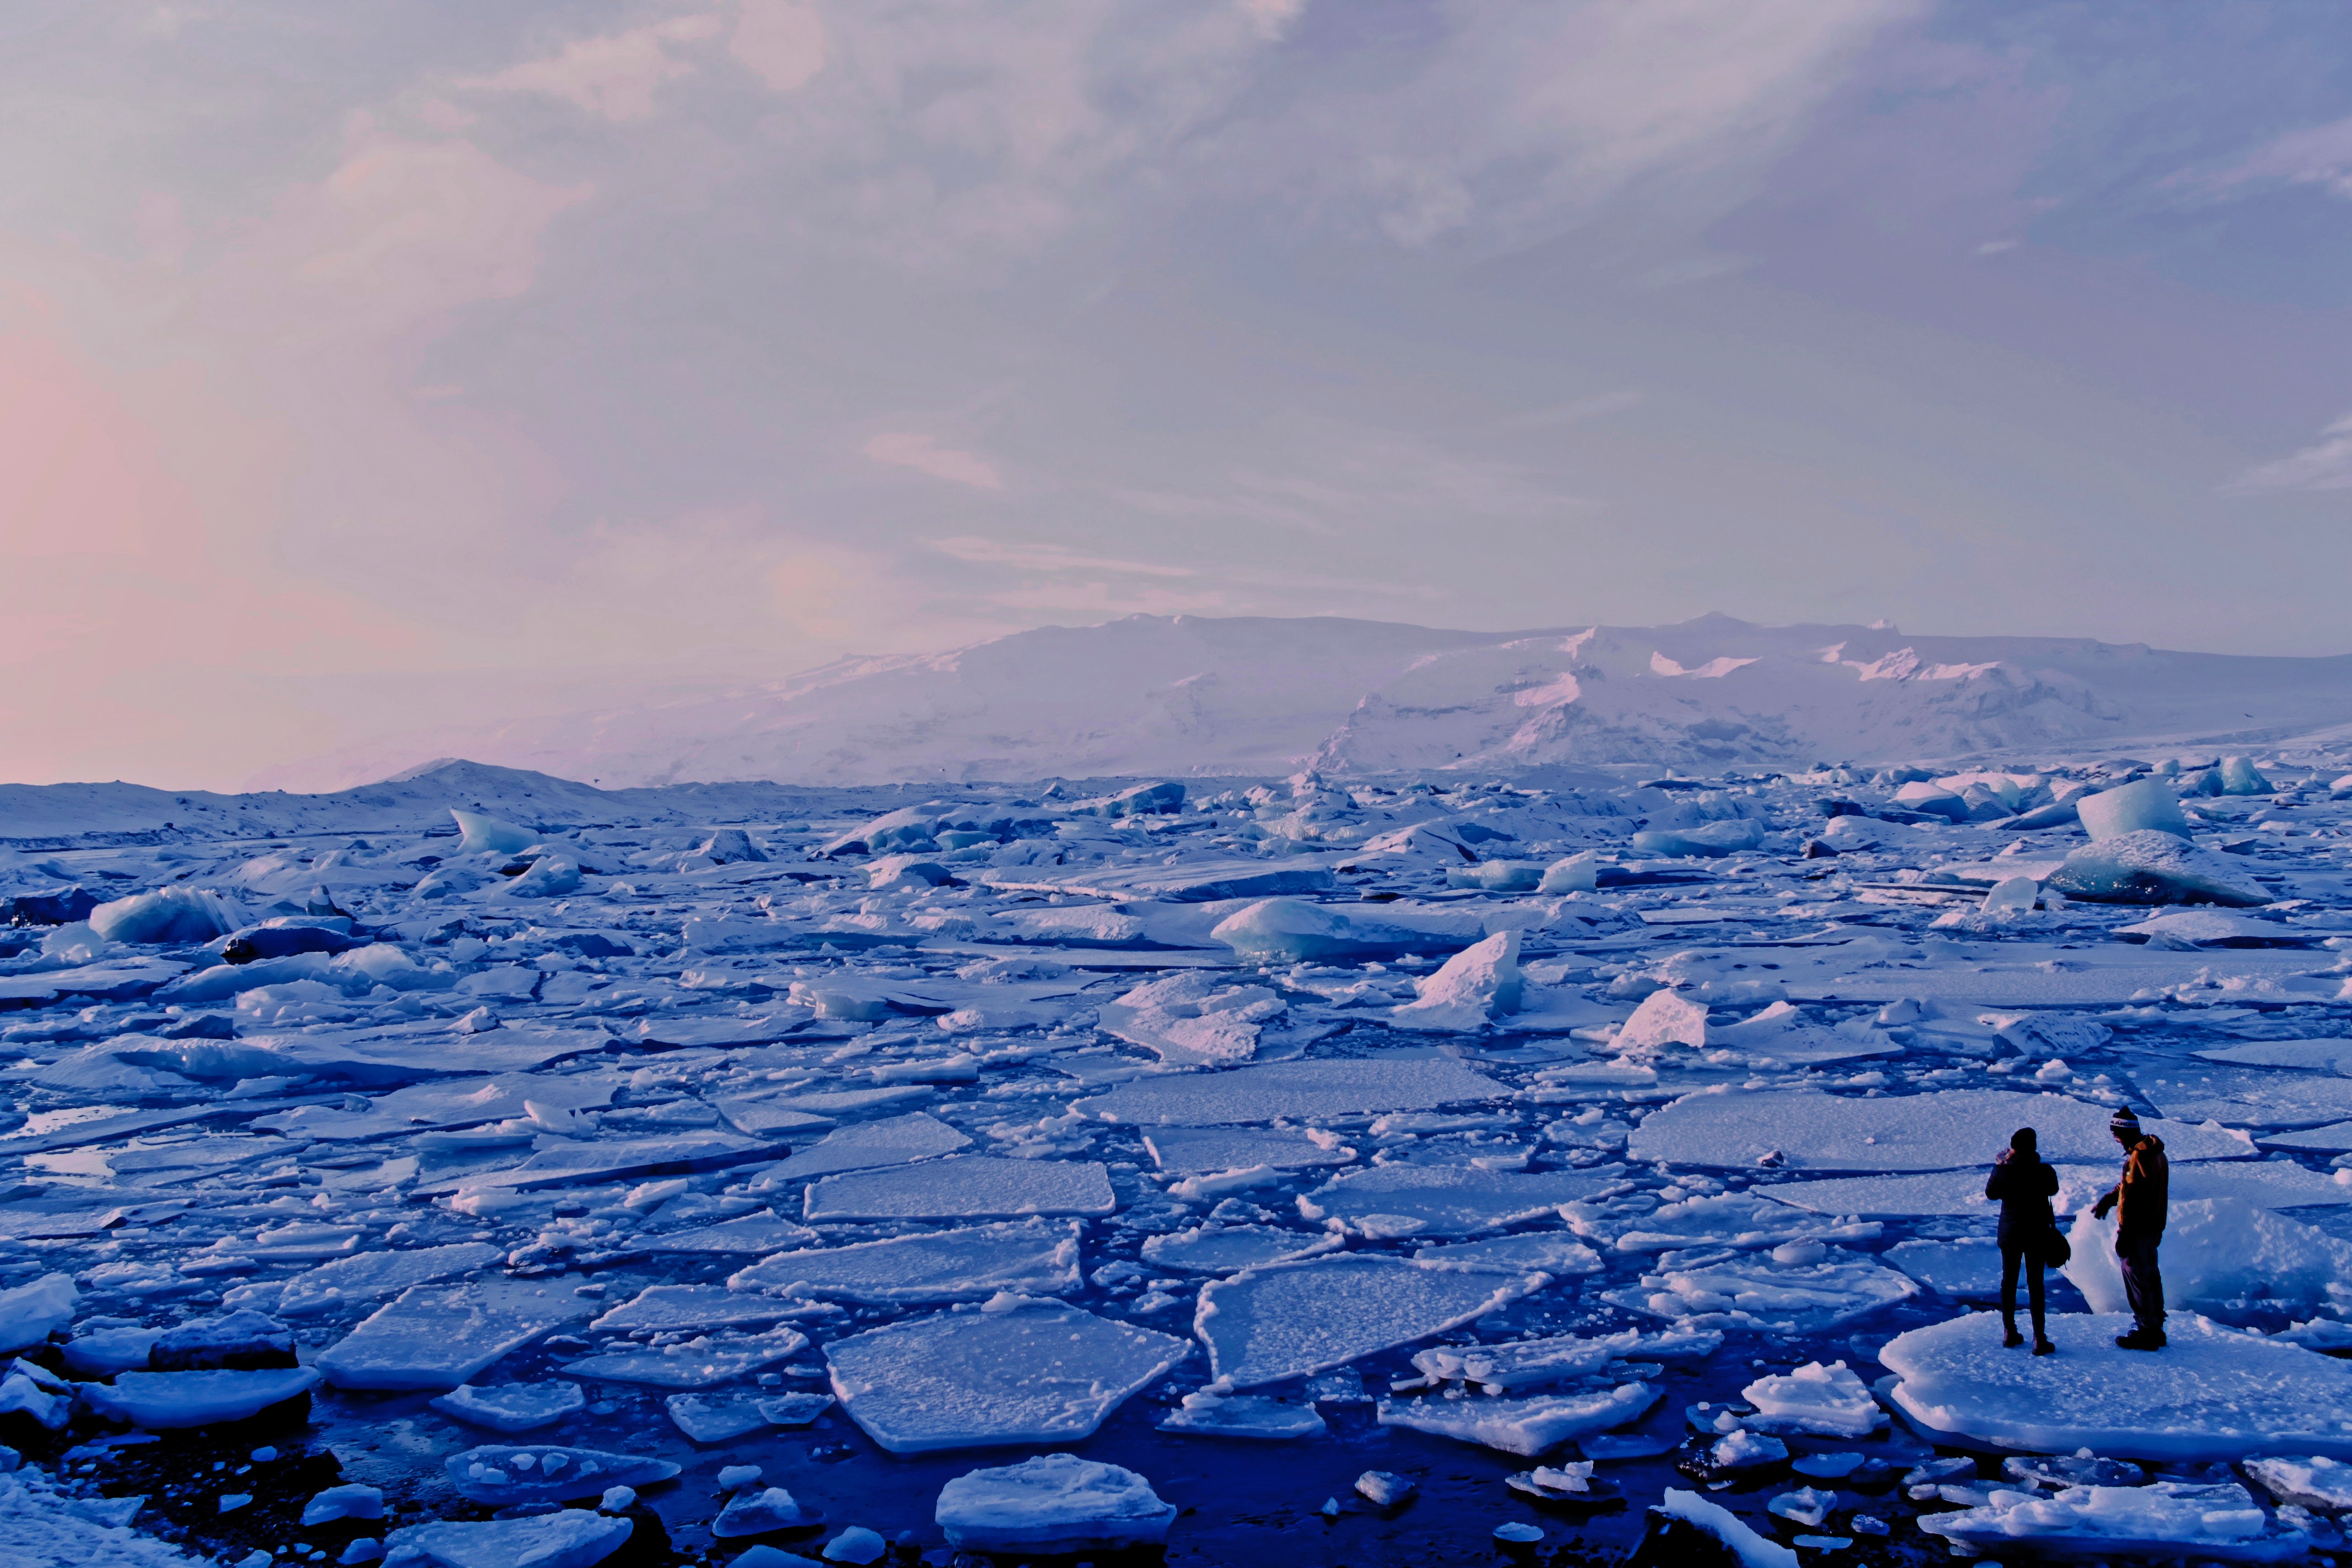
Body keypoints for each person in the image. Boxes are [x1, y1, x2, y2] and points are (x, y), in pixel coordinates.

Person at [2091, 1106, 2169, 1350]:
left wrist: (2125, 1232)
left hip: (2138, 1230)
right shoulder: (2153, 1152)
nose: (2114, 1139)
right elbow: (2129, 1185)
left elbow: (2135, 1196)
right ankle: (2156, 1328)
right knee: (2151, 1277)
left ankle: (2147, 1332)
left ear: (2121, 1133)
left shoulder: (2140, 1157)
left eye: (2115, 1133)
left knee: (2137, 1278)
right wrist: (2110, 1198)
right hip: (2152, 1227)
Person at [1984, 1126, 2058, 1354]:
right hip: (2036, 1234)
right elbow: (2053, 1190)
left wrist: (2001, 1166)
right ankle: (2039, 1339)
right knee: (2036, 1285)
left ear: (2013, 1148)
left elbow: (1991, 1194)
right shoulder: (2044, 1171)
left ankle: (2009, 1332)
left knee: (2009, 1282)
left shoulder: (2003, 1172)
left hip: (2010, 1234)